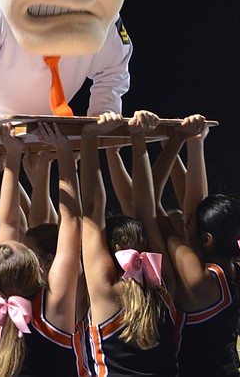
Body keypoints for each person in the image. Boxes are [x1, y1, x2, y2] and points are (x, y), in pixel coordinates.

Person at [154, 116, 240, 377]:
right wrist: (192, 145)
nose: (184, 221)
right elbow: (196, 212)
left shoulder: (201, 278)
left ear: (206, 240)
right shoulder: (239, 270)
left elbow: (152, 207)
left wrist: (175, 145)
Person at [78, 111, 180, 376]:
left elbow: (93, 208)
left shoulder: (106, 292)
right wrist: (136, 139)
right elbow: (146, 209)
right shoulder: (163, 284)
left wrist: (92, 137)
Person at [0, 123, 85, 377]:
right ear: (37, 265)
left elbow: (7, 222)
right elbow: (71, 219)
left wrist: (12, 155)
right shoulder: (52, 306)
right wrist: (63, 150)